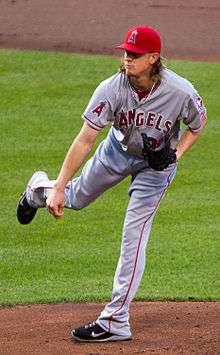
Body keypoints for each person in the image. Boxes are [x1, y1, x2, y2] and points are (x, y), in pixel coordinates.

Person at [17, 25, 207, 342]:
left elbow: (197, 126)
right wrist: (61, 186)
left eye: (134, 54)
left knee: (134, 234)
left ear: (153, 58)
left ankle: (116, 320)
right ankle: (38, 191)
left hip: (154, 170)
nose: (127, 58)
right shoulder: (111, 88)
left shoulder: (181, 91)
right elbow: (85, 140)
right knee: (74, 198)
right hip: (114, 153)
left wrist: (174, 154)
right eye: (125, 52)